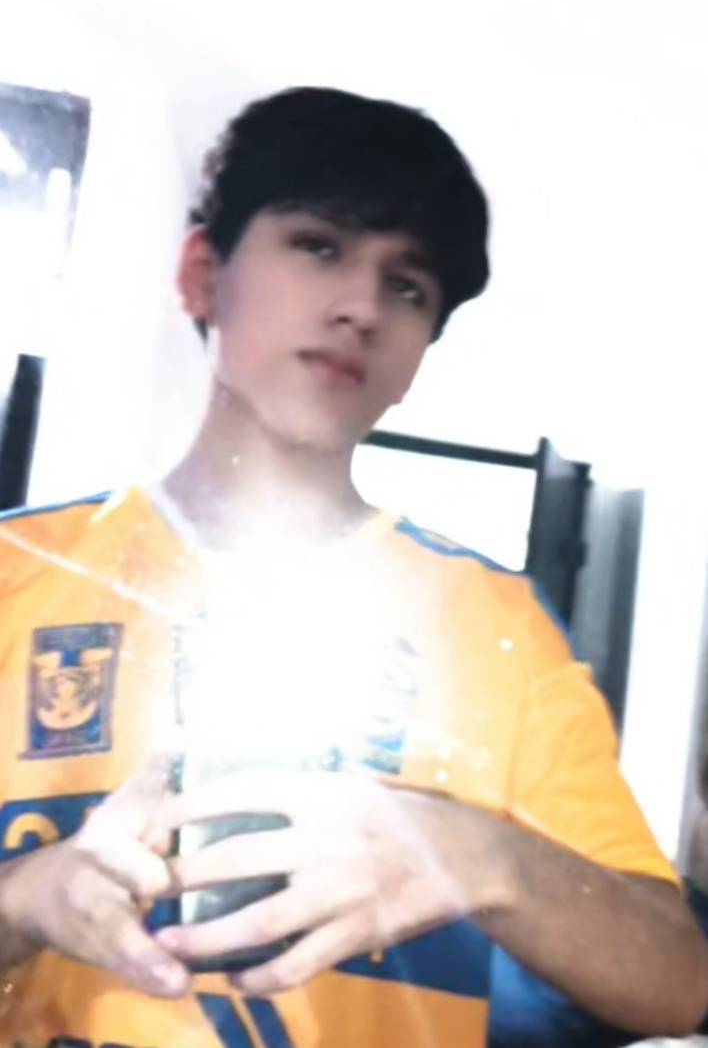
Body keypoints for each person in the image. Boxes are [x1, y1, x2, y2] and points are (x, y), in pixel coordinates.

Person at [0, 86, 705, 1048]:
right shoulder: (17, 572)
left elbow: (680, 981)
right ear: (203, 274)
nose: (363, 307)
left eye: (408, 287)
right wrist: (31, 896)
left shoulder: (494, 627)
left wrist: (472, 853)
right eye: (318, 245)